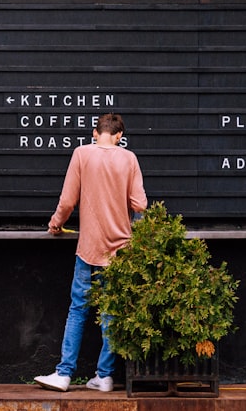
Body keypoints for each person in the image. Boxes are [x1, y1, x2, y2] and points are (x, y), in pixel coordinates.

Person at [34, 113, 148, 393]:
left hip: (89, 249)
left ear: (95, 132)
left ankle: (64, 374)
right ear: (120, 136)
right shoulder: (129, 158)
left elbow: (68, 200)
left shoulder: (82, 154)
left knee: (78, 311)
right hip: (120, 251)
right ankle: (105, 377)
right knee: (110, 314)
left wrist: (55, 224)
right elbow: (140, 205)